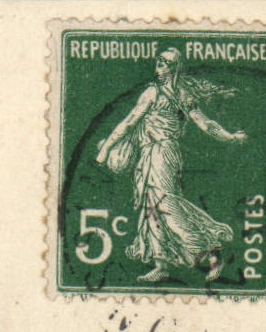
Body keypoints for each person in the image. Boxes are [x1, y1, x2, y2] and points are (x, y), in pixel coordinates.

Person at [95, 48, 247, 284]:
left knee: (167, 205)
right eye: (159, 61)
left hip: (161, 154)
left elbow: (205, 124)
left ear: (174, 67)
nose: (159, 65)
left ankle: (211, 253)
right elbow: (131, 122)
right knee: (151, 208)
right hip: (151, 154)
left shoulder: (166, 94)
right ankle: (161, 264)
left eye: (164, 62)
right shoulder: (161, 92)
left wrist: (230, 137)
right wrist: (230, 137)